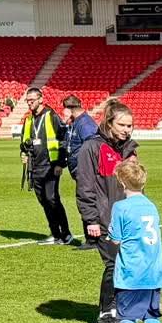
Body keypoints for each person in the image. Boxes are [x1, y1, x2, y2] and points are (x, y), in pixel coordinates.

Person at [72, 100, 137, 323]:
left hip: (127, 218)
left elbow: (135, 184)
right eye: (122, 125)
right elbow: (85, 187)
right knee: (113, 264)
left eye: (130, 125)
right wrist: (91, 220)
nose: (127, 130)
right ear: (109, 123)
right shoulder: (91, 148)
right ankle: (106, 313)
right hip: (104, 219)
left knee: (126, 264)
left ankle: (120, 308)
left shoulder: (129, 150)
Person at [105, 158, 162, 323]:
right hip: (154, 271)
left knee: (126, 315)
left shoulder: (120, 207)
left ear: (122, 183)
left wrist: (111, 235)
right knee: (151, 313)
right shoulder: (151, 205)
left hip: (132, 272)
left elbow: (116, 239)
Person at [17, 87, 70, 245]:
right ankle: (55, 234)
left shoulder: (51, 116)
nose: (29, 103)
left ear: (41, 99)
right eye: (27, 100)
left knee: (52, 199)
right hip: (35, 167)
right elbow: (24, 142)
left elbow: (63, 139)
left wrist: (60, 163)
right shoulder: (28, 120)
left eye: (32, 100)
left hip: (51, 165)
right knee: (44, 202)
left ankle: (66, 234)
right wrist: (23, 153)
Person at [59, 95, 96, 247]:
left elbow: (93, 148)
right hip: (79, 170)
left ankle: (93, 239)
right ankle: (91, 238)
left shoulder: (85, 124)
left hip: (86, 171)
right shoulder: (76, 122)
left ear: (69, 109)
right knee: (85, 202)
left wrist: (86, 168)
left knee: (87, 202)